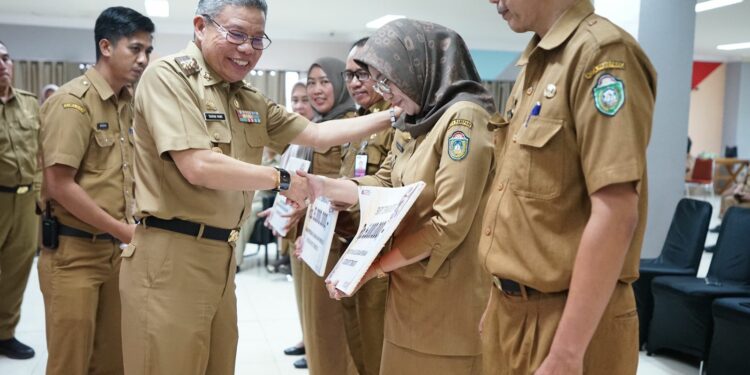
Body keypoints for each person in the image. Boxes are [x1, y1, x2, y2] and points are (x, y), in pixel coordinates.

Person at [119, 0, 401, 374]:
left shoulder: (246, 96)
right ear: (201, 26)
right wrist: (282, 180)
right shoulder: (169, 78)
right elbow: (197, 164)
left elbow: (317, 133)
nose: (247, 48)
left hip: (221, 256)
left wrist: (395, 113)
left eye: (257, 39)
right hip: (171, 258)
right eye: (236, 34)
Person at [298, 19, 497, 375]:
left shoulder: (463, 119)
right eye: (380, 82)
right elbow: (382, 182)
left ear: (419, 67)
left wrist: (371, 267)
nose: (384, 92)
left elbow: (447, 224)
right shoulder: (415, 120)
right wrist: (324, 187)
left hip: (447, 294)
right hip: (406, 287)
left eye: (388, 80)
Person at [479, 0, 656, 374]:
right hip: (510, 314)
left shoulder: (601, 55)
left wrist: (568, 351)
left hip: (569, 322)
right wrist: (499, 299)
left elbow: (616, 211)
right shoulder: (537, 64)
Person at [38, 7, 154, 374]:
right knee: (70, 361)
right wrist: (125, 231)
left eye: (147, 51)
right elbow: (59, 184)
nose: (143, 59)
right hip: (74, 254)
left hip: (114, 253)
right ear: (105, 46)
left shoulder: (127, 104)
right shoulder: (73, 103)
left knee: (113, 359)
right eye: (135, 49)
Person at [335, 37, 393, 375]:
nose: (355, 83)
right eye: (349, 75)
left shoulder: (393, 123)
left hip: (378, 253)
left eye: (363, 74)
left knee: (376, 350)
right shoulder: (357, 124)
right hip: (349, 250)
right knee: (356, 344)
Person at [297, 56, 358, 374]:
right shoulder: (319, 125)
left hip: (332, 244)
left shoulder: (347, 125)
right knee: (316, 329)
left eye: (324, 81)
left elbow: (340, 186)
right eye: (311, 82)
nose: (317, 90)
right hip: (313, 240)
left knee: (331, 331)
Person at [0, 40, 40, 361]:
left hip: (26, 202)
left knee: (17, 271)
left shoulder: (30, 104)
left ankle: (5, 334)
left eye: (5, 57)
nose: (2, 64)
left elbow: (42, 153)